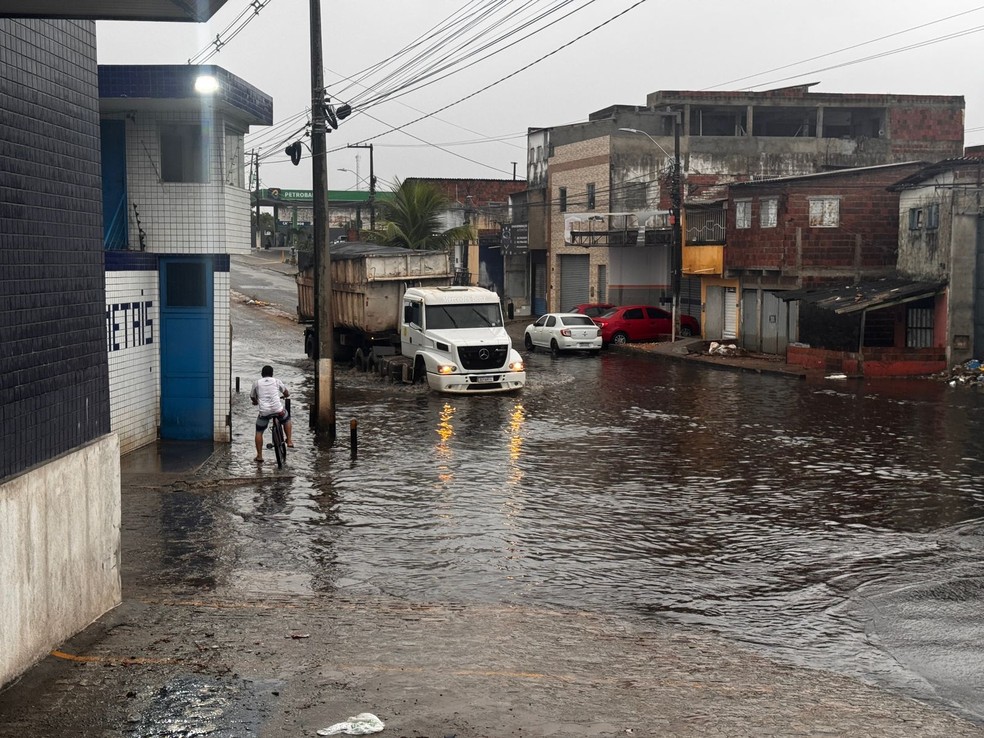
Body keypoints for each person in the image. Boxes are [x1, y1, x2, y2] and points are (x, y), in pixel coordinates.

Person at [250, 365, 293, 462]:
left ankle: (259, 456)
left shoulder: (256, 383)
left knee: (259, 431)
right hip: (278, 410)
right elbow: (286, 393)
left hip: (264, 413)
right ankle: (289, 440)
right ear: (272, 374)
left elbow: (252, 396)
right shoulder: (276, 381)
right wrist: (285, 395)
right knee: (287, 419)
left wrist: (256, 401)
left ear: (262, 374)